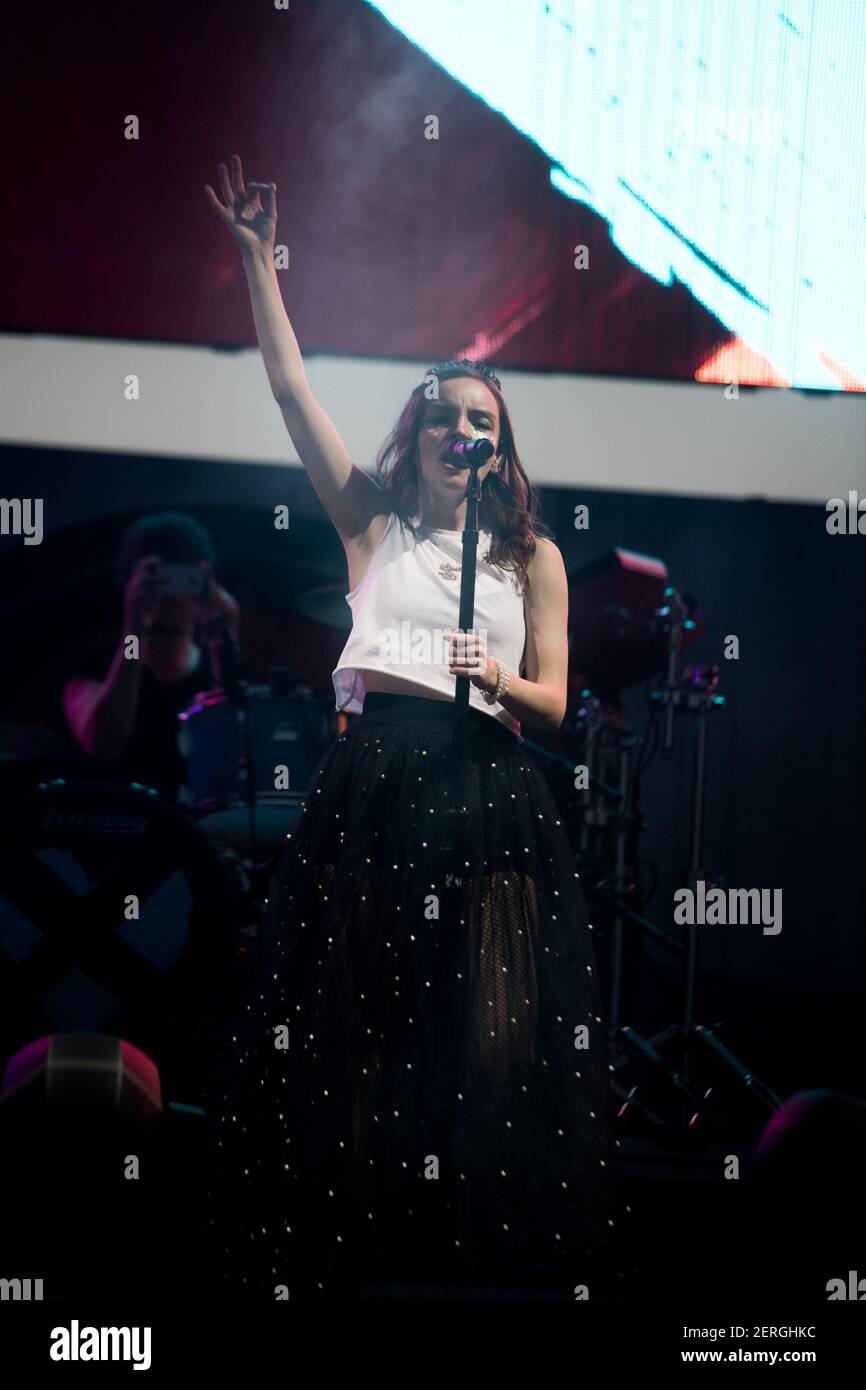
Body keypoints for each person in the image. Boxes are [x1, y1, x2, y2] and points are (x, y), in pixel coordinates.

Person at [204, 156, 630, 1299]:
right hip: (381, 775)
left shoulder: (529, 557)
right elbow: (294, 397)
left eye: (476, 420)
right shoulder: (371, 522)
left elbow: (552, 699)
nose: (456, 431)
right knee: (352, 1010)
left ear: (498, 442)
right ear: (417, 434)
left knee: (483, 1020)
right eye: (439, 417)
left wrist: (489, 668)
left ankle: (468, 1242)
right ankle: (350, 1236)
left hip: (486, 783)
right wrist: (256, 257)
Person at [62, 512, 240, 805]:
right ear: (129, 583)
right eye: (159, 579)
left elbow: (239, 754)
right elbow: (104, 743)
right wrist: (136, 624)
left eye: (183, 578)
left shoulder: (216, 675)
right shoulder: (92, 671)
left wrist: (227, 633)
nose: (171, 594)